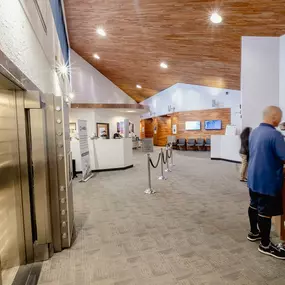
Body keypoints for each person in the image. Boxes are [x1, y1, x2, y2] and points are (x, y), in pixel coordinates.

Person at [247, 106, 285, 259]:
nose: (281, 120)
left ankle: (253, 232)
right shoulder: (275, 135)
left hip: (253, 176)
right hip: (267, 180)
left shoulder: (255, 131)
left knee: (253, 204)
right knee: (265, 212)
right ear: (274, 117)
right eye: (280, 117)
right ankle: (265, 245)